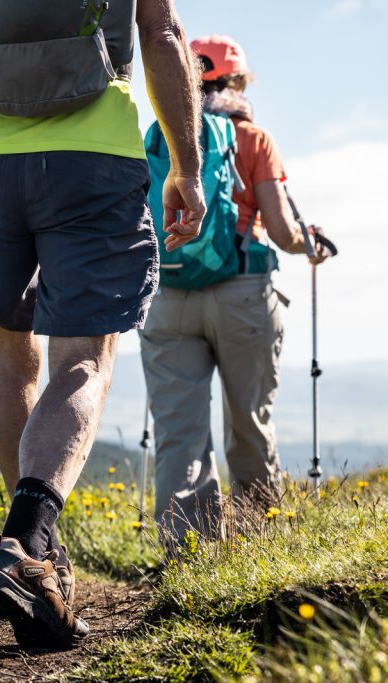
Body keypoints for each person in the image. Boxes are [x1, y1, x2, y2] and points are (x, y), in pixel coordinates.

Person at [0, 0, 204, 647]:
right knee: (83, 357)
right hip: (92, 155)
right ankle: (29, 540)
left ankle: (35, 554)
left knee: (8, 361)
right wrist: (185, 168)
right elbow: (161, 31)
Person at [140, 34, 330, 548]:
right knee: (249, 422)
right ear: (237, 80)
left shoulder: (160, 136)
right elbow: (283, 230)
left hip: (170, 298)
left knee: (180, 433)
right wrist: (310, 246)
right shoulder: (254, 140)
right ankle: (257, 545)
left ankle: (189, 554)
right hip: (244, 295)